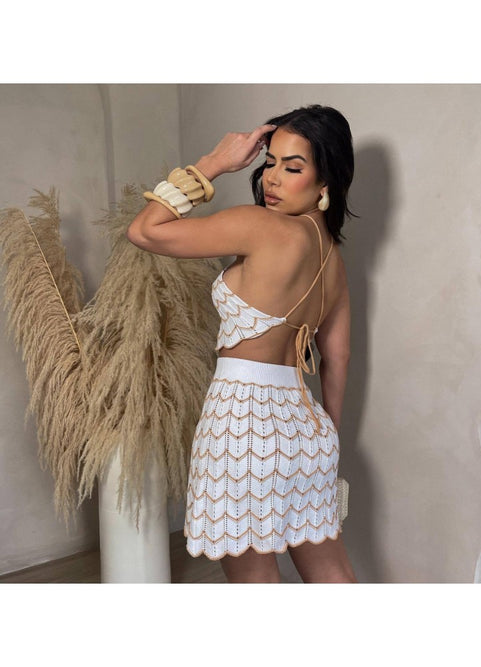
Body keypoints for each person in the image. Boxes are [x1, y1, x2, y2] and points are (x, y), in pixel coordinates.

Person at [127, 104, 357, 584]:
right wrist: (330, 440)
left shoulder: (261, 226)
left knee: (255, 583)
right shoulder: (333, 257)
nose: (271, 178)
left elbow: (145, 230)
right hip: (309, 428)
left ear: (325, 181)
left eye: (293, 167)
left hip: (242, 422)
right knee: (333, 576)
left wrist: (212, 163)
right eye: (270, 162)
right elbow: (337, 358)